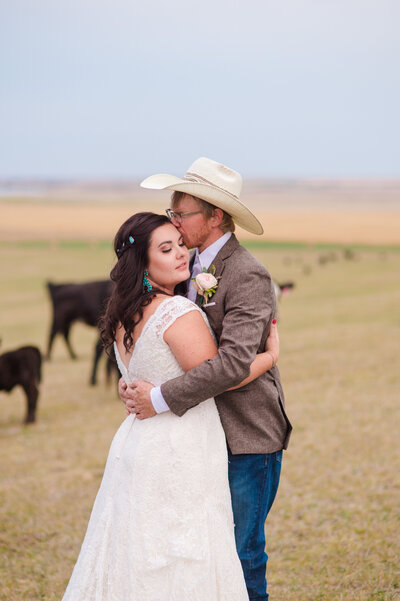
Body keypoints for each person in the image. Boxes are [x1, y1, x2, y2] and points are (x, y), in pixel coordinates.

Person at [61, 211, 280, 601]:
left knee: (140, 549)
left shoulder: (123, 311)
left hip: (138, 442)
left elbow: (135, 376)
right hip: (181, 444)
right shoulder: (177, 311)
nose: (181, 254)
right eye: (166, 248)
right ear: (143, 263)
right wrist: (269, 356)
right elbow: (222, 372)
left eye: (179, 243)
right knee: (186, 550)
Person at [121, 157, 292, 601]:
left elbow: (234, 364)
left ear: (215, 217)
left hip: (246, 435)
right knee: (203, 552)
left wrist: (158, 397)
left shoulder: (248, 272)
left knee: (242, 554)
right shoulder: (187, 264)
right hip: (199, 438)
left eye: (181, 213)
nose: (173, 221)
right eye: (172, 213)